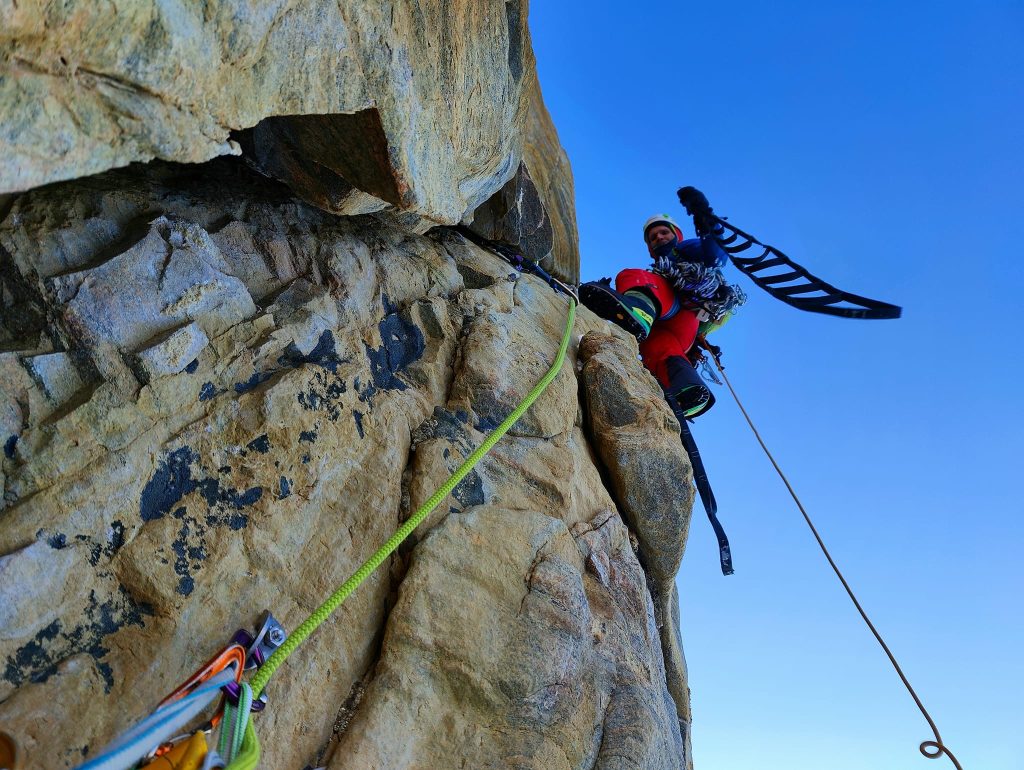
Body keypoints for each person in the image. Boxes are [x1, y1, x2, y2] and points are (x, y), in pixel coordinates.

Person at [580, 187, 745, 419]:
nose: (659, 237)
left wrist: (706, 218)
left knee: (632, 276)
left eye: (664, 232)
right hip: (677, 336)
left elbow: (715, 254)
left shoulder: (683, 251)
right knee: (656, 345)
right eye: (653, 237)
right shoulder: (663, 266)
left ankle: (640, 310)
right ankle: (685, 390)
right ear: (650, 249)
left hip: (682, 313)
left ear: (677, 235)